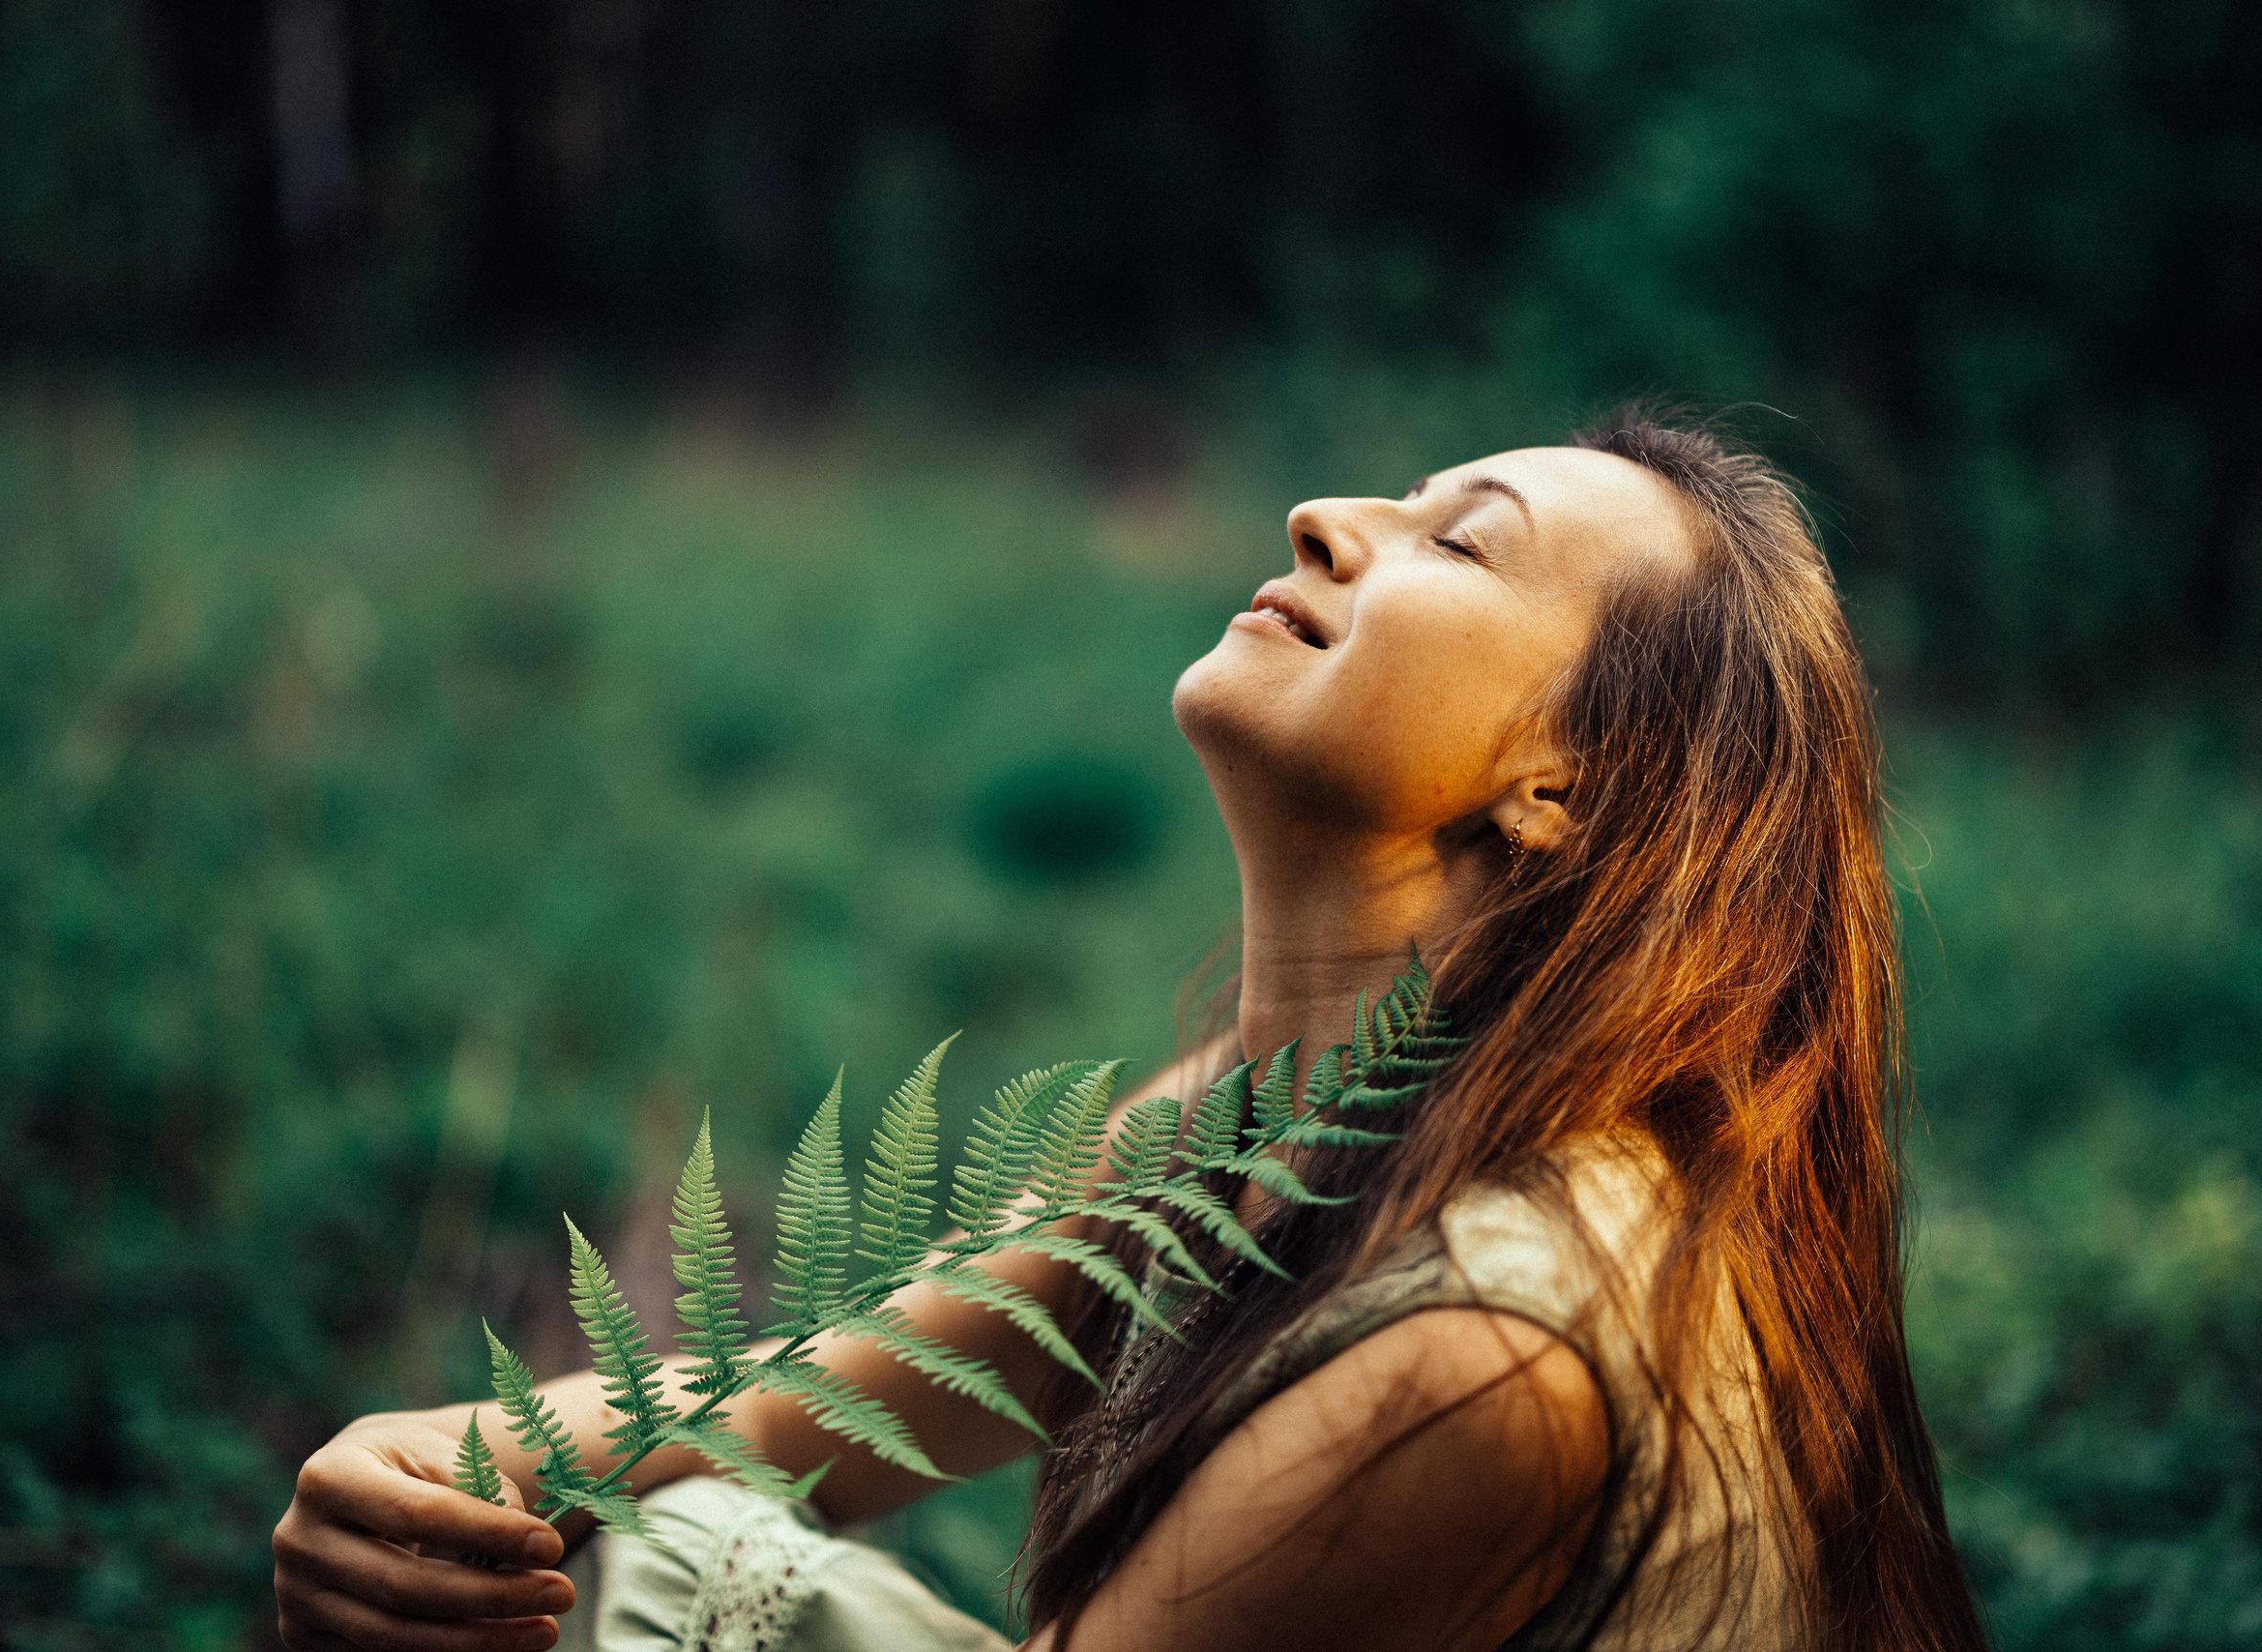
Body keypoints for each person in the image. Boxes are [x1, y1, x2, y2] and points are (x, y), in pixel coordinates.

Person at [272, 411, 1990, 1652]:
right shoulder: (1237, 1126)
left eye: (1458, 540)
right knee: (643, 1557)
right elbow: (809, 1422)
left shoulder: (1486, 1351)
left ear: (1563, 788)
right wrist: (442, 1468)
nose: (1328, 515)